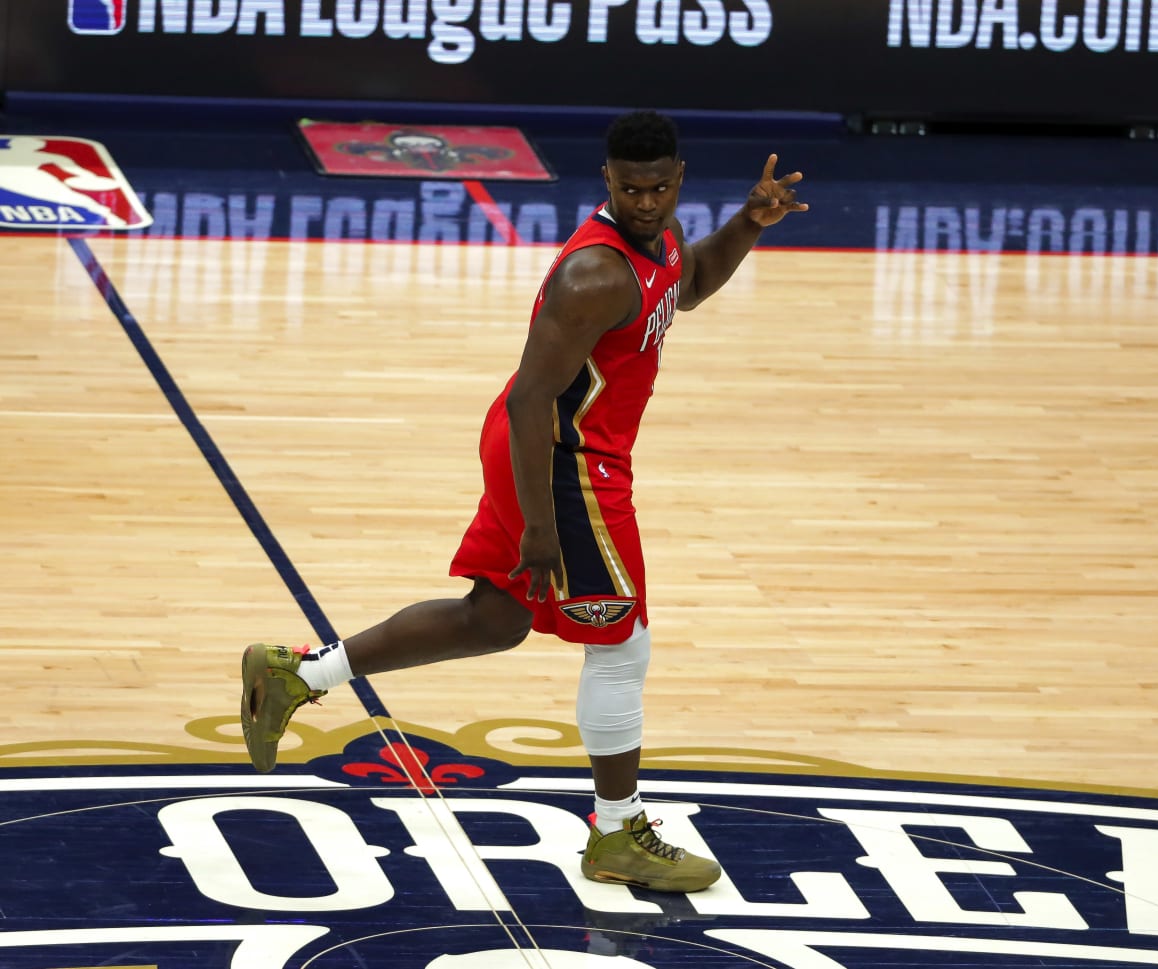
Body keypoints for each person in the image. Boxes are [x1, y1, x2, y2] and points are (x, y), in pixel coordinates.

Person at [239, 110, 808, 893]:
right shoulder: (595, 275)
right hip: (562, 459)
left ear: (679, 179)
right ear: (607, 181)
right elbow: (531, 399)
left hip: (558, 451)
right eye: (631, 188)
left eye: (660, 187)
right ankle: (616, 833)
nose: (646, 201)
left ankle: (302, 672)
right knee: (619, 643)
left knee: (496, 619)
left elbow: (692, 284)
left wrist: (748, 221)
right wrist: (541, 527)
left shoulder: (663, 239)